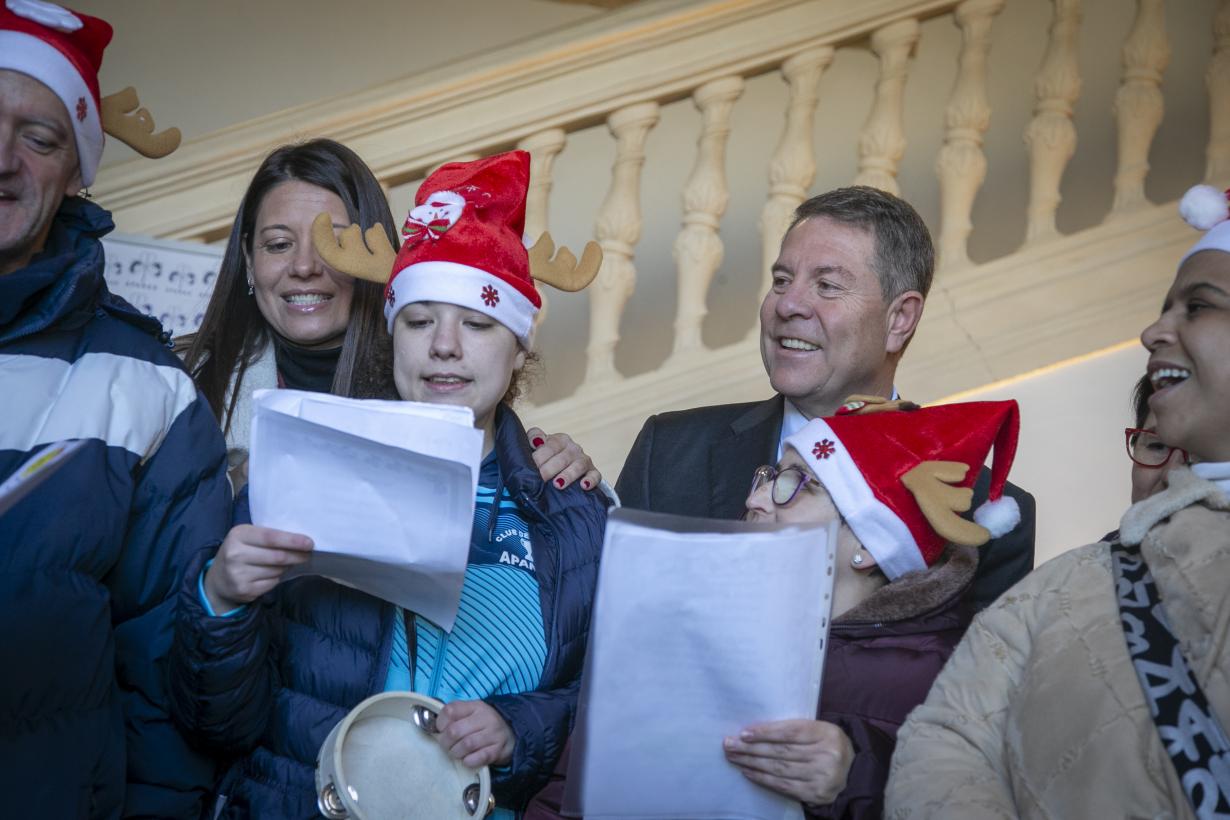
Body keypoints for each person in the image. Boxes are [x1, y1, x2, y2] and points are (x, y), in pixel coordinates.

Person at [169, 151, 608, 818]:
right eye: (420, 319)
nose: (444, 346)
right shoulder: (299, 472)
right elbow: (216, 726)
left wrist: (519, 728)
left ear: (520, 347)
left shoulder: (573, 510)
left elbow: (608, 700)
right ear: (391, 333)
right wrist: (221, 601)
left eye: (480, 323)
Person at [885, 184, 1230, 818]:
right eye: (1165, 308)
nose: (1155, 330)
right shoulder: (1070, 582)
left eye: (1199, 307)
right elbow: (946, 740)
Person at [0, 3, 230, 818]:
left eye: (40, 136)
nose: (2, 159)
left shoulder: (146, 387)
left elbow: (165, 691)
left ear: (77, 172)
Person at [616, 186, 1035, 611]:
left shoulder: (977, 511)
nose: (789, 304)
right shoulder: (668, 452)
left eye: (828, 285)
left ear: (900, 319)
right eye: (781, 280)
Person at [179, 138, 600, 492]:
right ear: (249, 263)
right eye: (278, 245)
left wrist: (556, 464)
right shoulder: (183, 383)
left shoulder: (431, 372)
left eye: (332, 243)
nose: (304, 267)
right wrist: (233, 489)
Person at [724, 397, 1021, 819]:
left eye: (797, 484)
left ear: (869, 546)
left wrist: (856, 777)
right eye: (770, 476)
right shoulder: (741, 628)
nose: (756, 500)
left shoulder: (941, 683)